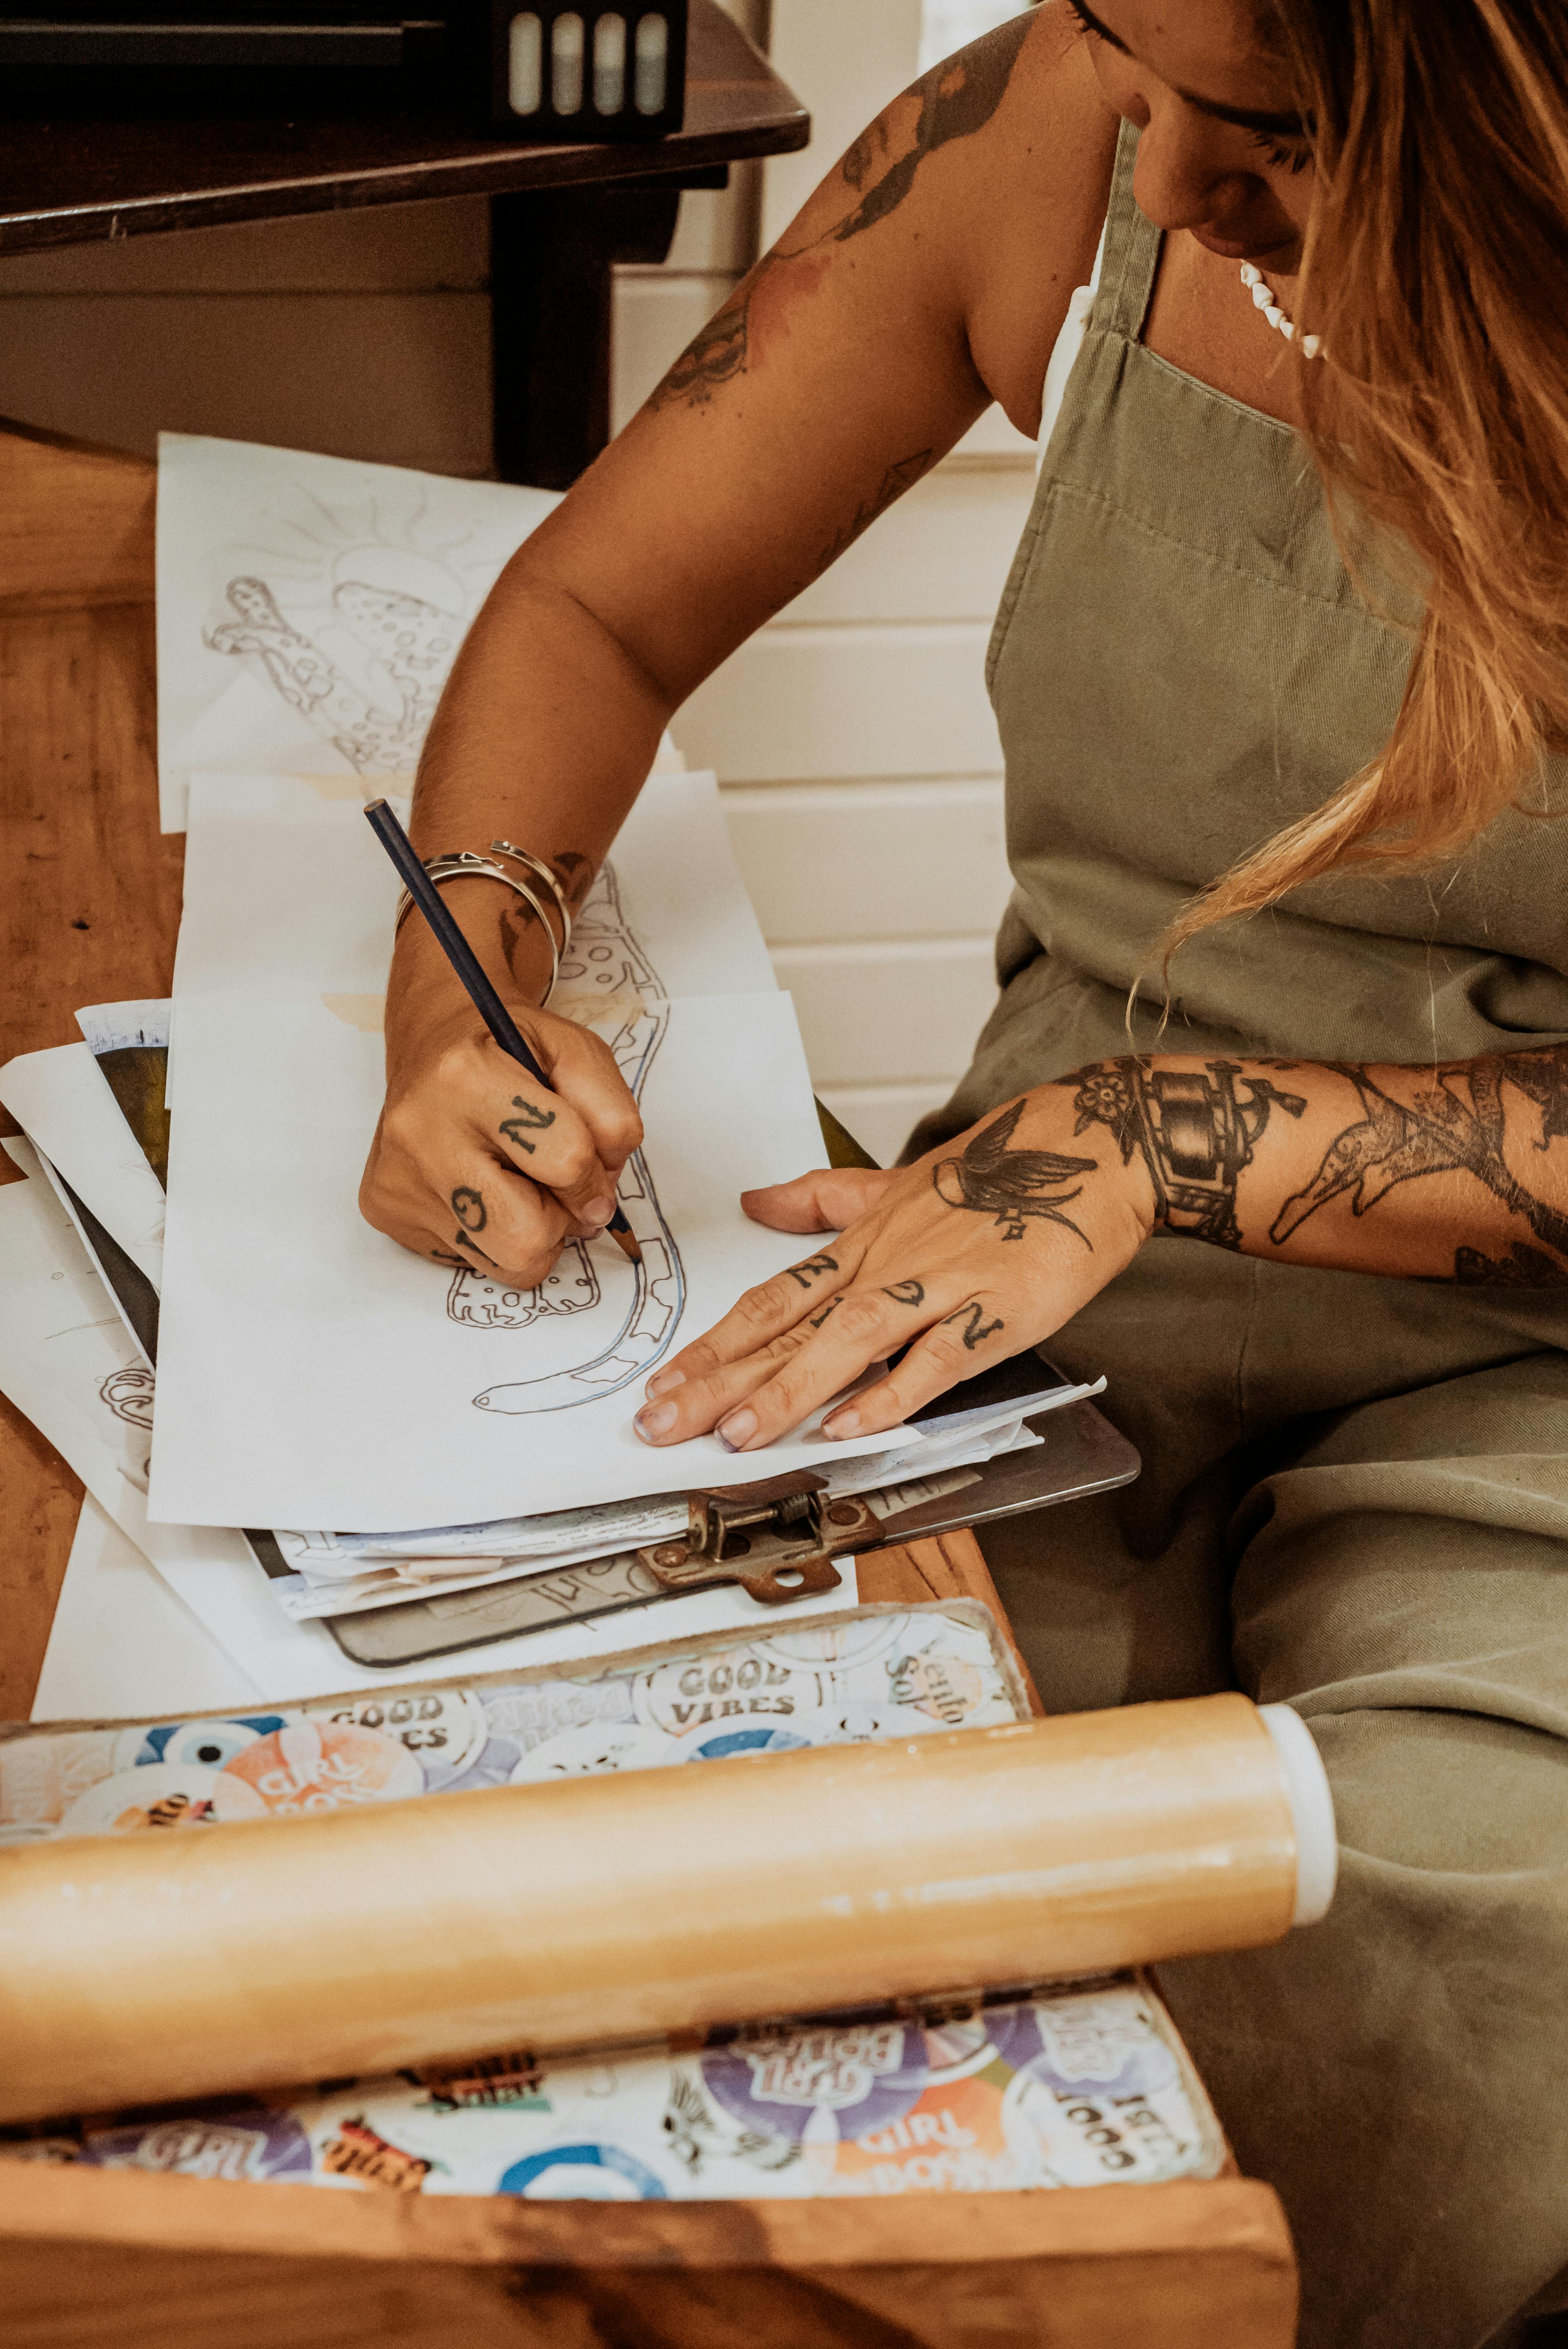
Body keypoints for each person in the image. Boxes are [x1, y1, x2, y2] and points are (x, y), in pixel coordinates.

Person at [359, 5, 1568, 2340]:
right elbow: (601, 609)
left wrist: (1182, 1136)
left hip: (1519, 1367)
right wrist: (465, 987)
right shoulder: (1062, 132)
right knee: (765, 1889)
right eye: (1148, 56)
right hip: (1036, 1300)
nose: (1177, 178)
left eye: (1291, 134)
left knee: (1443, 1977)